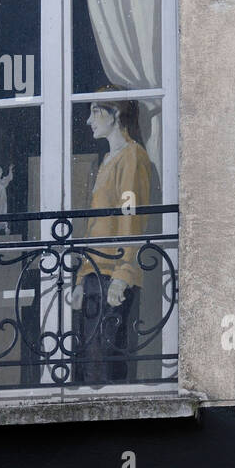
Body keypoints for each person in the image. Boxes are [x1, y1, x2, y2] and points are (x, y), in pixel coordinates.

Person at [75, 90, 152, 386]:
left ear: (116, 114)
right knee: (92, 364)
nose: (88, 120)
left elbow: (130, 219)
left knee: (105, 366)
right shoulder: (108, 159)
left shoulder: (132, 157)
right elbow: (96, 225)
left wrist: (123, 273)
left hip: (113, 278)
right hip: (96, 274)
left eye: (95, 111)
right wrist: (83, 277)